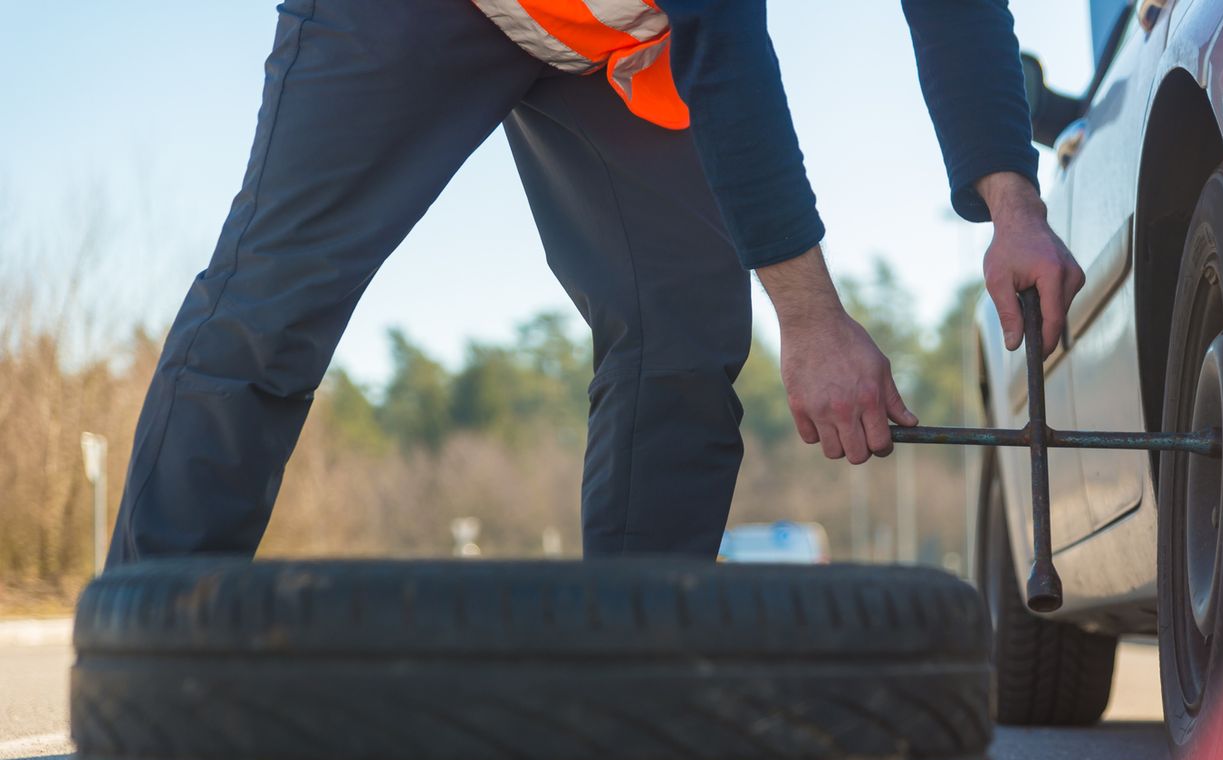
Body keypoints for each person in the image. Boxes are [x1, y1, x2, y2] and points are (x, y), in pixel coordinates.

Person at [108, 0, 1085, 566]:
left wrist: (1018, 211)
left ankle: (632, 674)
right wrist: (814, 315)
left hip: (601, 34)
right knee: (278, 297)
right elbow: (728, 47)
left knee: (685, 328)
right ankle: (142, 662)